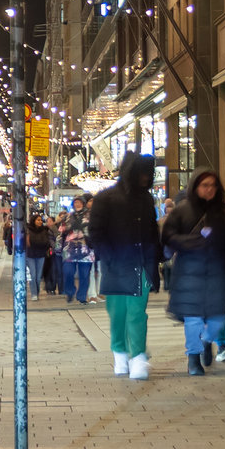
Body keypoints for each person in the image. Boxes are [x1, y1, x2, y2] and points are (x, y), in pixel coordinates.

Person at [88, 153, 162, 380]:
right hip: (117, 264)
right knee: (118, 313)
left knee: (136, 312)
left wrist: (154, 262)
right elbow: (96, 233)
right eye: (141, 173)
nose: (145, 178)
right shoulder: (106, 198)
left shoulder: (147, 200)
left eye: (148, 174)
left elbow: (152, 232)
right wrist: (108, 257)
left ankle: (137, 356)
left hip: (139, 262)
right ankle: (121, 353)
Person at [162, 170, 225, 375]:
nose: (209, 189)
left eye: (213, 185)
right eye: (204, 185)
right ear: (195, 186)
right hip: (189, 272)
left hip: (217, 272)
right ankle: (193, 358)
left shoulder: (224, 213)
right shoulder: (182, 211)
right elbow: (168, 237)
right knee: (193, 319)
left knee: (218, 317)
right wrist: (190, 242)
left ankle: (207, 341)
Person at [60, 198, 94, 305]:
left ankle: (82, 296)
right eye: (75, 202)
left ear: (83, 204)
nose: (77, 204)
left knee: (84, 274)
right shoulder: (68, 216)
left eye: (79, 202)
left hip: (86, 248)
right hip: (70, 248)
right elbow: (61, 230)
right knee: (68, 272)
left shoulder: (91, 215)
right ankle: (70, 291)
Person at [22, 214, 52, 300]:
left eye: (40, 220)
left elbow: (47, 241)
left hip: (41, 255)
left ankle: (36, 292)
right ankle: (34, 294)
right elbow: (27, 243)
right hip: (30, 255)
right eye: (38, 220)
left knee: (38, 277)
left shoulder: (44, 230)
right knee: (33, 275)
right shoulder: (28, 230)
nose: (40, 222)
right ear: (34, 221)